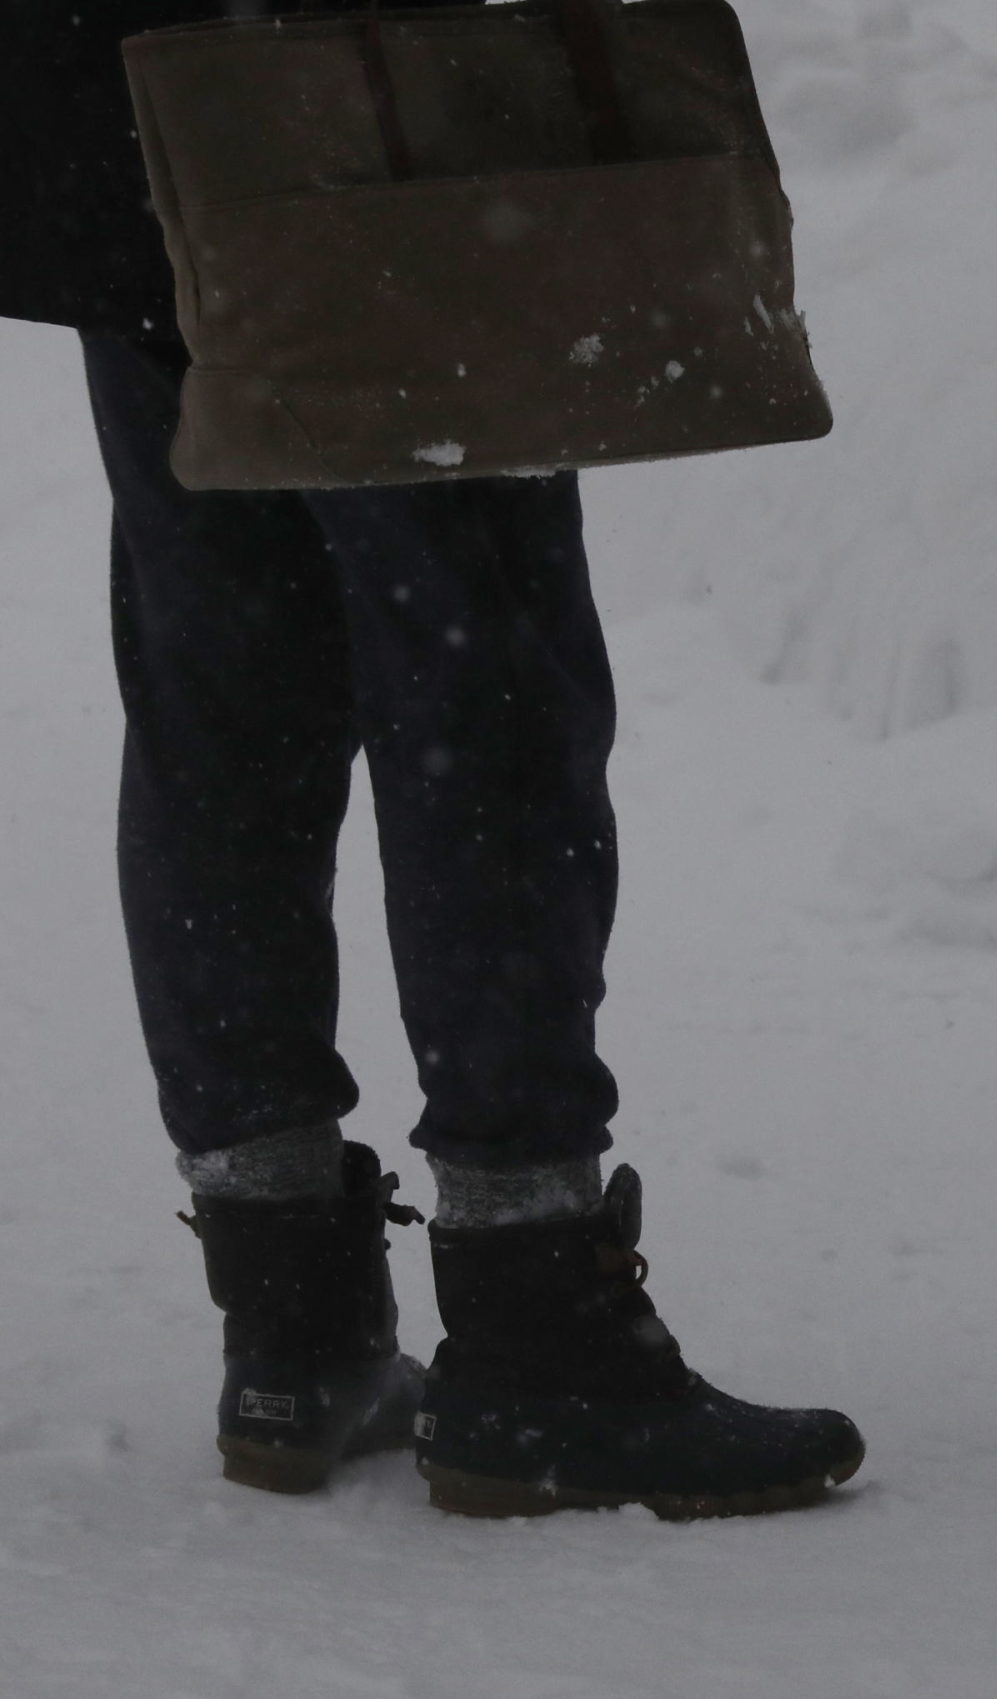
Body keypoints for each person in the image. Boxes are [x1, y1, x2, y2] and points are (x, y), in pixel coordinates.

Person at [0, 0, 863, 1518]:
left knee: (227, 700)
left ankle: (291, 1320)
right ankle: (536, 1318)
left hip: (122, 104)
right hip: (364, 112)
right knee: (484, 689)